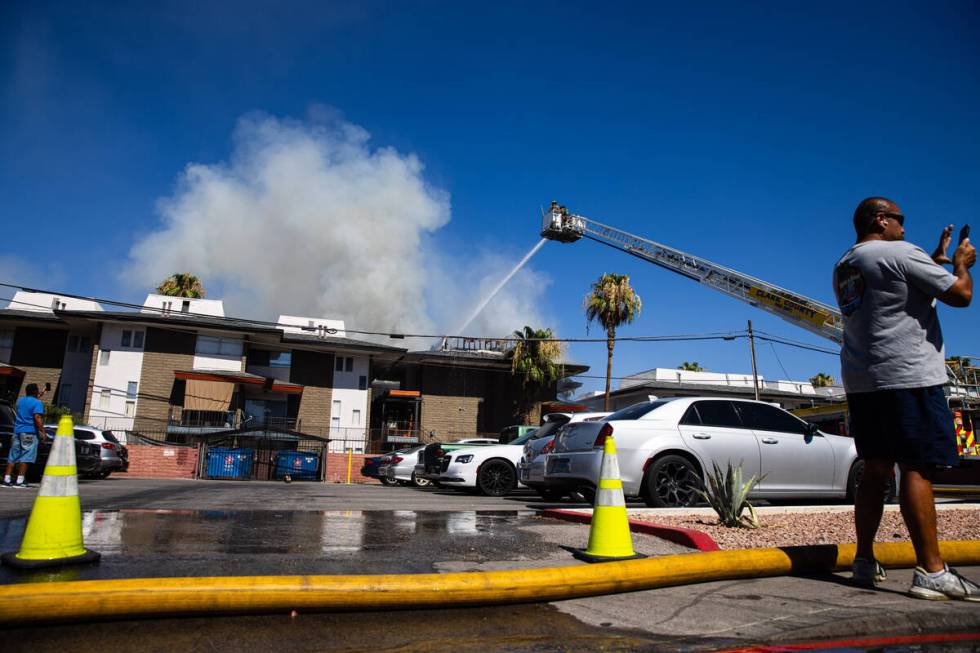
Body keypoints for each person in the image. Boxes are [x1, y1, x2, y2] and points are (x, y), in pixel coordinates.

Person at [833, 196, 979, 601]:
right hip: (909, 377)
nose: (904, 228)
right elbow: (961, 295)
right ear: (881, 220)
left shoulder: (846, 264)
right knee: (917, 468)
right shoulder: (899, 253)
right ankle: (932, 572)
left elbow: (894, 294)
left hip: (864, 382)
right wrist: (962, 262)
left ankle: (863, 560)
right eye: (900, 220)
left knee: (876, 470)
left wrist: (933, 259)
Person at [4, 383, 48, 489]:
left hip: (17, 431)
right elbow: (37, 417)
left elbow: (29, 403)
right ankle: (20, 480)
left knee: (13, 455)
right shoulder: (37, 403)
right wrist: (43, 431)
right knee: (26, 456)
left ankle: (7, 479)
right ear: (35, 392)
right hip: (29, 432)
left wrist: (41, 393)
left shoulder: (20, 401)